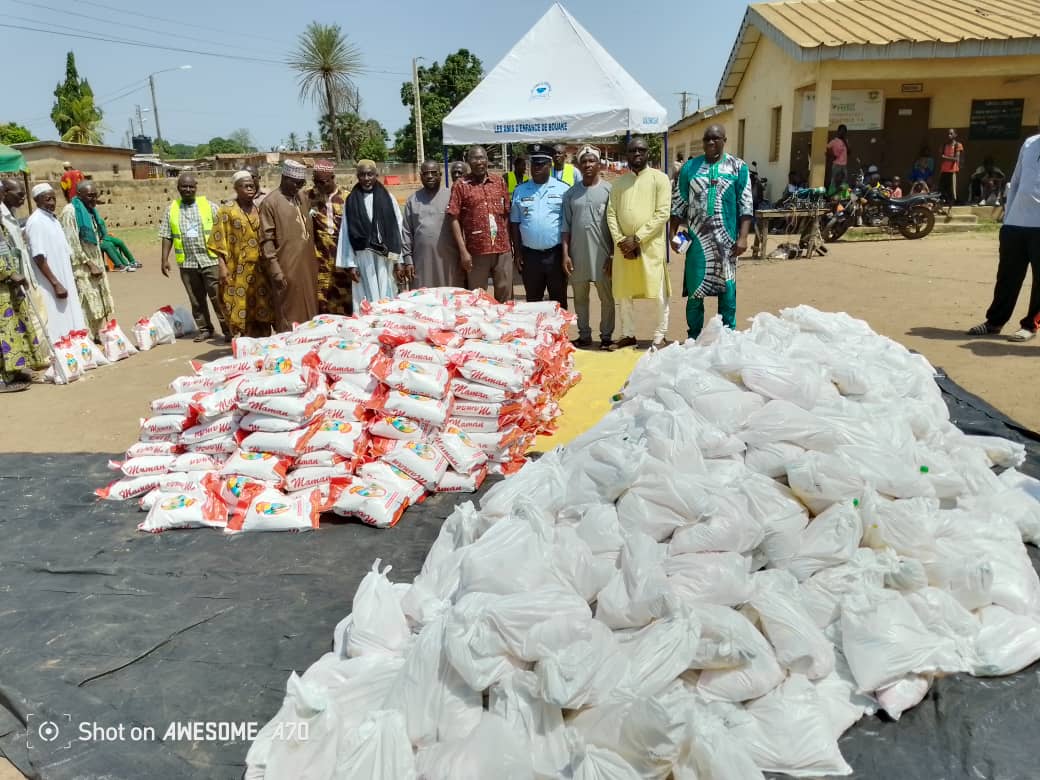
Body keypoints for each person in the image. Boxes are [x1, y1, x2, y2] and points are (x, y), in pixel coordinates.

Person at [671, 123, 753, 340]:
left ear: (724, 141)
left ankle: (727, 336)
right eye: (706, 139)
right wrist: (672, 235)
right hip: (697, 243)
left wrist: (743, 237)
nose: (710, 143)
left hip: (727, 244)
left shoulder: (738, 167)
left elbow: (746, 206)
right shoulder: (690, 168)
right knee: (695, 289)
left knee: (727, 291)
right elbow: (678, 204)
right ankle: (694, 336)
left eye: (715, 138)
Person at [967, 127, 1040, 342]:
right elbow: (1016, 180)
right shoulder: (1030, 143)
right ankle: (995, 322)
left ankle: (1030, 325)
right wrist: (1008, 217)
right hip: (1015, 223)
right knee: (1007, 277)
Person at [606, 136, 672, 348]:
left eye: (641, 151)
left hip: (649, 247)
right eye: (632, 151)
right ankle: (628, 334)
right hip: (624, 249)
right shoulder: (618, 183)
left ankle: (660, 335)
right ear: (627, 155)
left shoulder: (659, 179)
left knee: (659, 293)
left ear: (647, 154)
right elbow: (611, 214)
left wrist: (638, 238)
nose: (636, 154)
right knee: (625, 293)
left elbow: (663, 213)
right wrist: (621, 241)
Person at [160, 173, 229, 342]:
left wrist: (224, 260)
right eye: (184, 186)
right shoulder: (171, 209)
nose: (188, 189)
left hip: (210, 260)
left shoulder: (209, 206)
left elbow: (221, 233)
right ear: (178, 188)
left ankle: (229, 330)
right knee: (196, 300)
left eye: (191, 186)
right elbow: (167, 235)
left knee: (219, 297)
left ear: (196, 188)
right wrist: (164, 259)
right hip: (187, 263)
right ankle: (205, 329)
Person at [206, 171, 275, 338]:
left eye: (252, 186)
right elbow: (217, 240)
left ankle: (263, 343)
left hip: (260, 270)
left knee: (262, 307)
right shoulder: (227, 210)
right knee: (240, 308)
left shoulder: (259, 209)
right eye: (246, 186)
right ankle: (246, 345)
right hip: (236, 270)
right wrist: (222, 267)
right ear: (236, 188)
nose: (251, 189)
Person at [562, 145, 614, 349]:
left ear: (599, 163)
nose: (588, 165)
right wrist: (565, 255)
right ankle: (584, 335)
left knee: (607, 298)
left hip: (603, 254)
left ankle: (607, 336)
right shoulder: (571, 194)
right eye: (584, 161)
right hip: (578, 254)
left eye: (592, 160)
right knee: (580, 297)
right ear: (578, 165)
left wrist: (612, 254)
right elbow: (565, 227)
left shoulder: (610, 191)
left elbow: (615, 225)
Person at [446, 145, 513, 302]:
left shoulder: (499, 182)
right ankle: (481, 327)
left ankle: (504, 326)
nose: (479, 162)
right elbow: (453, 218)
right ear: (468, 161)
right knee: (477, 298)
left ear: (487, 160)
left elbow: (506, 214)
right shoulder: (461, 185)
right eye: (474, 158)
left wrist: (509, 244)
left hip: (502, 249)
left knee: (505, 296)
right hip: (476, 252)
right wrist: (463, 251)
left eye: (482, 157)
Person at [24, 183, 88, 343]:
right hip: (51, 282)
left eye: (54, 198)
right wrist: (55, 283)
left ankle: (76, 344)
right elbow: (38, 256)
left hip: (64, 276)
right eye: (48, 199)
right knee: (56, 316)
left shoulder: (52, 219)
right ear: (37, 200)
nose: (52, 202)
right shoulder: (36, 222)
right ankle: (62, 348)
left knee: (70, 313)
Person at [509, 143, 570, 309]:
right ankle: (537, 335)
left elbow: (568, 225)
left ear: (549, 164)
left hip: (555, 255)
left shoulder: (563, 189)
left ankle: (559, 334)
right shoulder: (520, 191)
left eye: (541, 164)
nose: (536, 167)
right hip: (530, 257)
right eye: (534, 163)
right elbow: (515, 223)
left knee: (559, 302)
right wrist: (518, 252)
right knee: (533, 302)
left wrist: (566, 254)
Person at [259, 160, 317, 331]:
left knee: (310, 307)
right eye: (296, 183)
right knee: (289, 310)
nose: (298, 187)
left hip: (307, 265)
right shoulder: (270, 203)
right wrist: (275, 268)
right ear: (284, 178)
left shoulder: (301, 198)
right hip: (286, 266)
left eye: (301, 184)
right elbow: (266, 240)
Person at [0, 182, 47, 389]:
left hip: (9, 283)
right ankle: (4, 379)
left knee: (13, 330)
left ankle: (15, 372)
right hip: (4, 279)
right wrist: (8, 272)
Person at [337, 159, 404, 304]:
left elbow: (397, 228)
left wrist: (399, 261)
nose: (366, 179)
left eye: (370, 174)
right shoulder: (351, 201)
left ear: (376, 175)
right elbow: (346, 233)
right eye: (362, 175)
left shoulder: (388, 198)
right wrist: (350, 264)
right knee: (365, 299)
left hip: (385, 259)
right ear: (357, 176)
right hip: (362, 258)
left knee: (387, 298)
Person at [60, 181, 116, 339]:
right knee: (86, 303)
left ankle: (99, 334)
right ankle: (86, 338)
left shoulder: (90, 211)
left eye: (95, 195)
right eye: (90, 196)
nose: (93, 199)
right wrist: (90, 264)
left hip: (96, 262)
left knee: (98, 301)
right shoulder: (70, 212)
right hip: (82, 266)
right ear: (79, 195)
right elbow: (71, 243)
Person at [402, 160, 463, 289]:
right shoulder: (412, 201)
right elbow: (407, 232)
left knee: (450, 298)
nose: (430, 176)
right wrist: (408, 260)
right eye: (426, 173)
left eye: (434, 173)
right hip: (422, 261)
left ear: (440, 175)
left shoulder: (451, 196)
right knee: (423, 299)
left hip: (449, 261)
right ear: (421, 176)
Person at [307, 159, 352, 315]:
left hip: (343, 261)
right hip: (320, 261)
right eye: (316, 182)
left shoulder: (348, 198)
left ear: (333, 178)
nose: (319, 186)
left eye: (324, 182)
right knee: (322, 303)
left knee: (346, 303)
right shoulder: (308, 197)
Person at [939, 129, 963, 204]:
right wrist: (945, 157)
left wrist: (945, 157)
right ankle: (945, 202)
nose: (949, 135)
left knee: (952, 189)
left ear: (955, 135)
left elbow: (956, 158)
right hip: (944, 170)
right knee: (942, 188)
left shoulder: (957, 145)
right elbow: (940, 156)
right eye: (948, 134)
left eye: (951, 134)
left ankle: (953, 202)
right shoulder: (944, 145)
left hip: (952, 170)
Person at [826, 124, 850, 191]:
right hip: (836, 164)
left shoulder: (846, 141)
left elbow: (849, 152)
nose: (843, 133)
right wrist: (832, 155)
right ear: (838, 131)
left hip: (844, 165)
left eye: (844, 131)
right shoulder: (834, 141)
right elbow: (827, 148)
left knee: (844, 181)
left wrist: (845, 141)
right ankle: (831, 194)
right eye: (841, 131)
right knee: (833, 180)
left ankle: (843, 196)